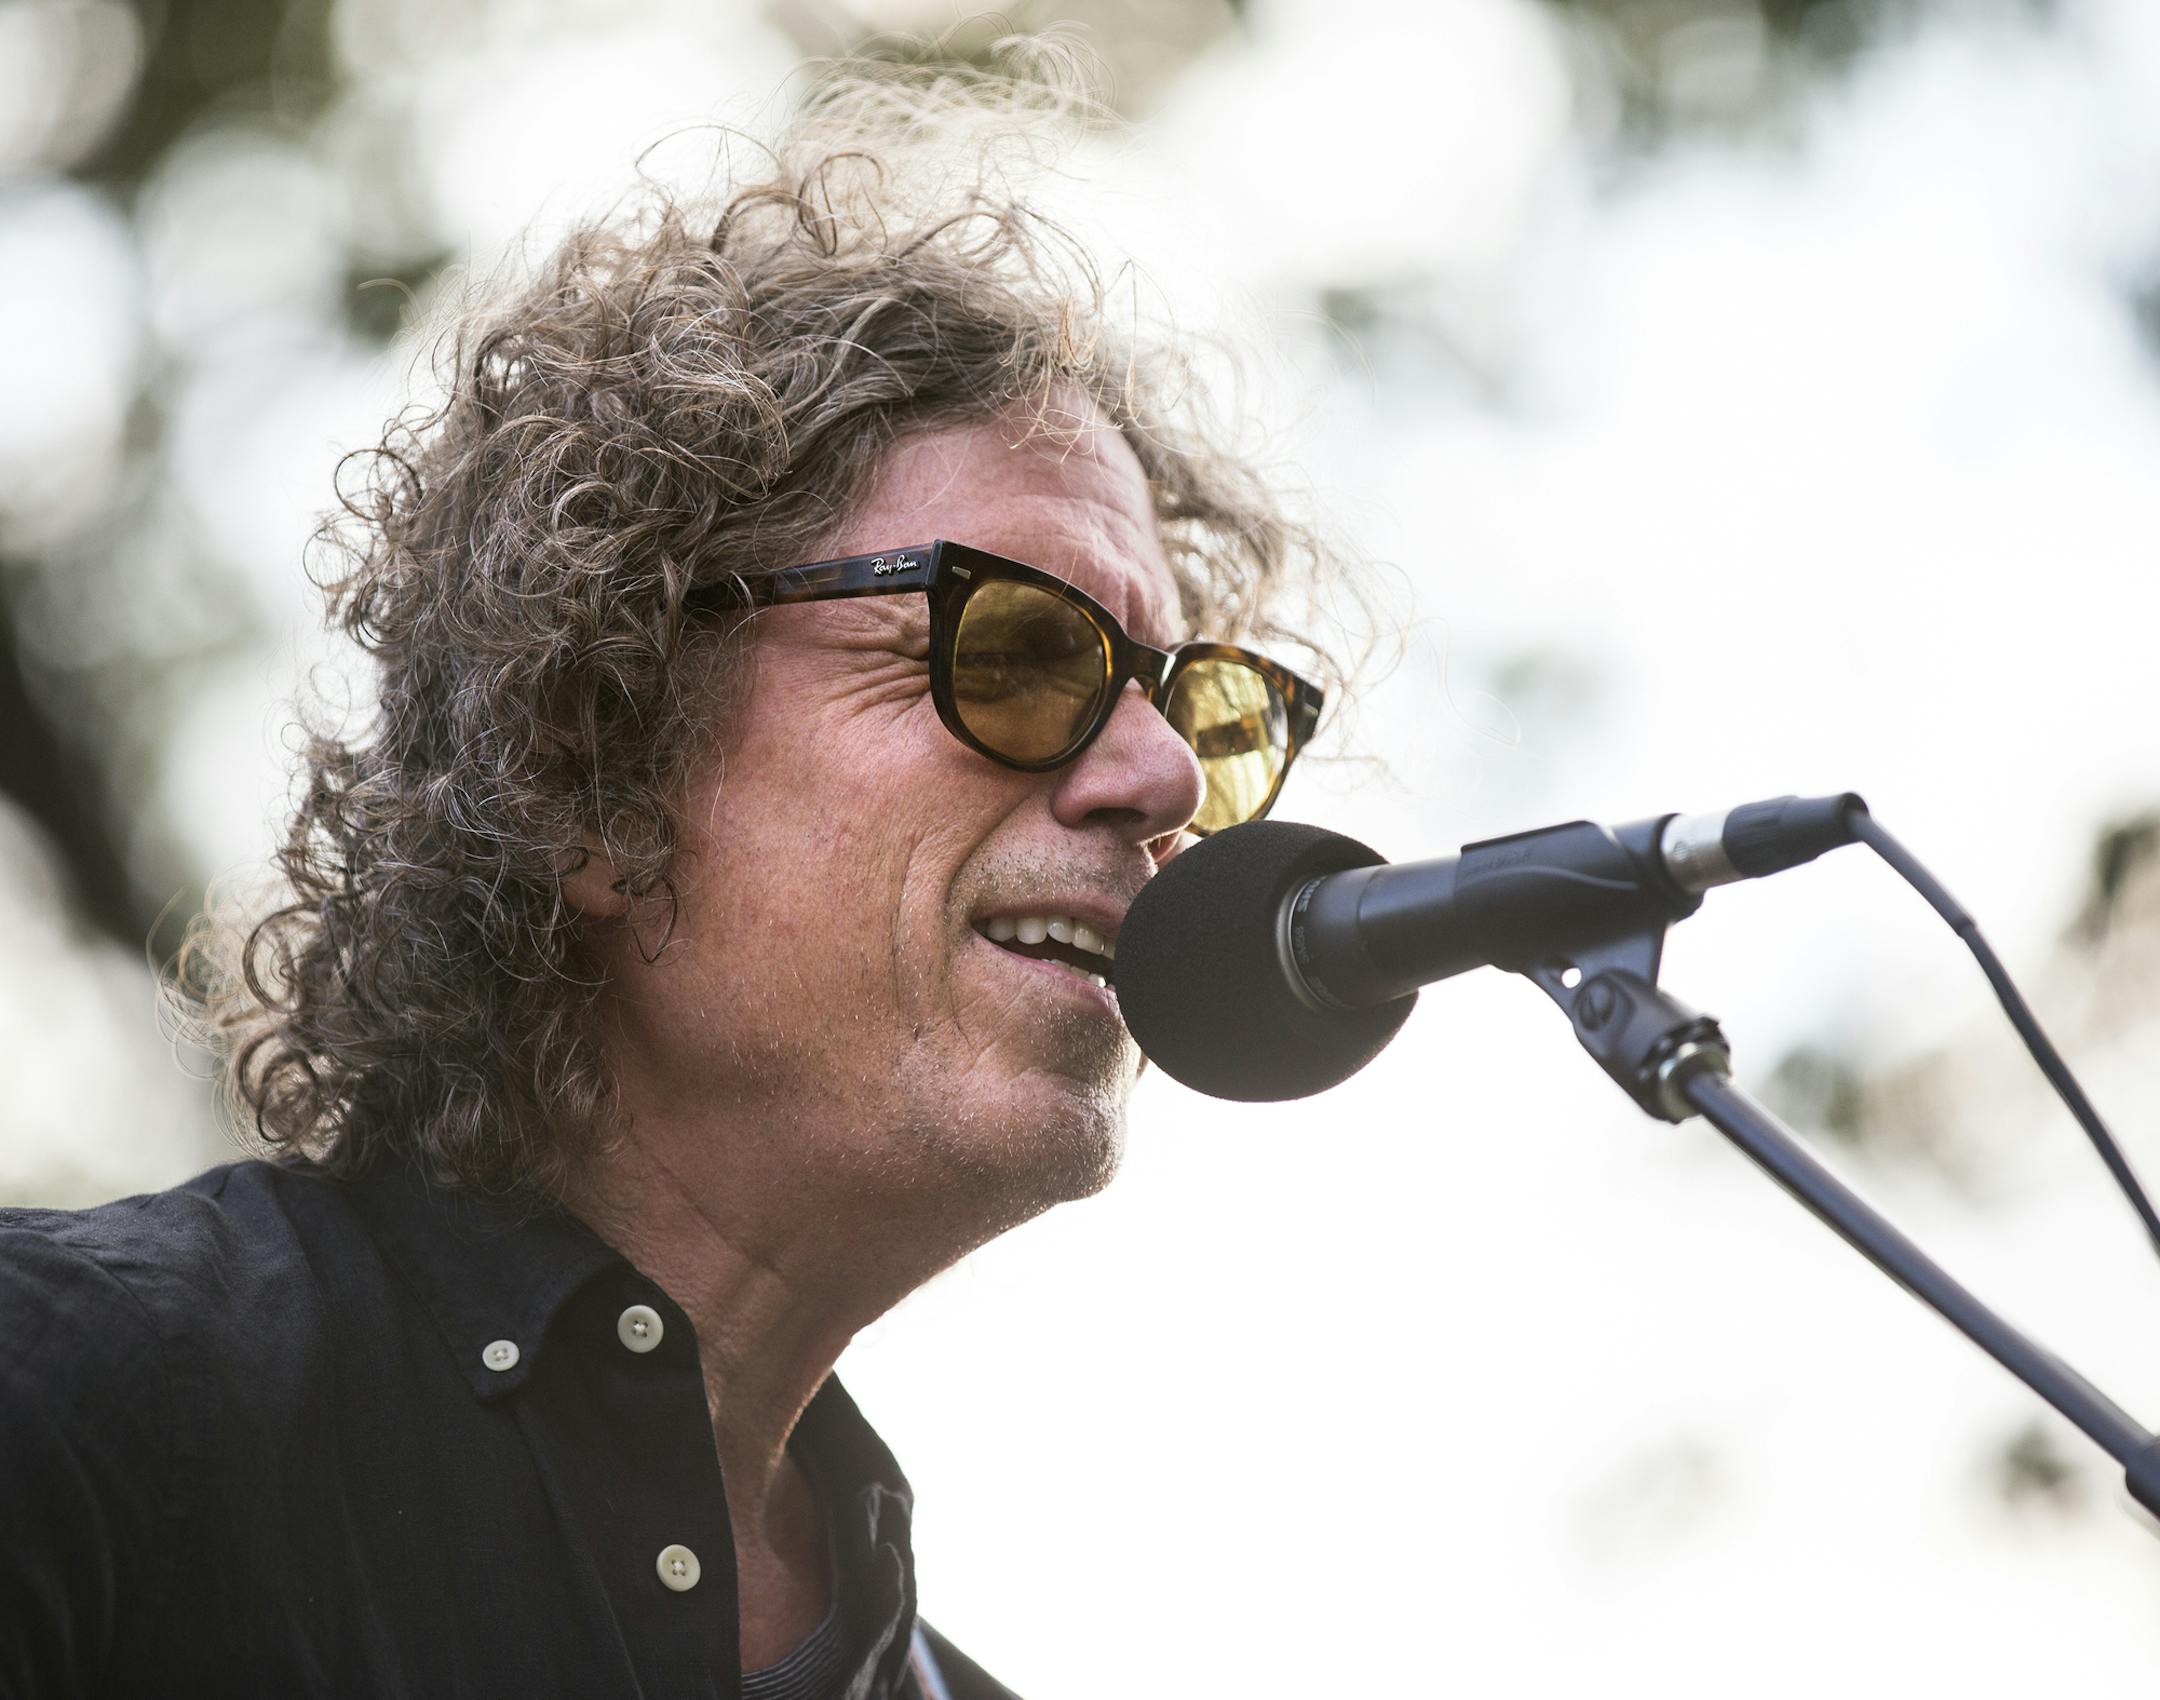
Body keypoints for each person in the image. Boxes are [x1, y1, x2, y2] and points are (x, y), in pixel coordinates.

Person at [0, 53, 1344, 1700]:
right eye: (1015, 647)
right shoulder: (65, 1409)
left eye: (1193, 706)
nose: (1155, 784)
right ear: (592, 765)